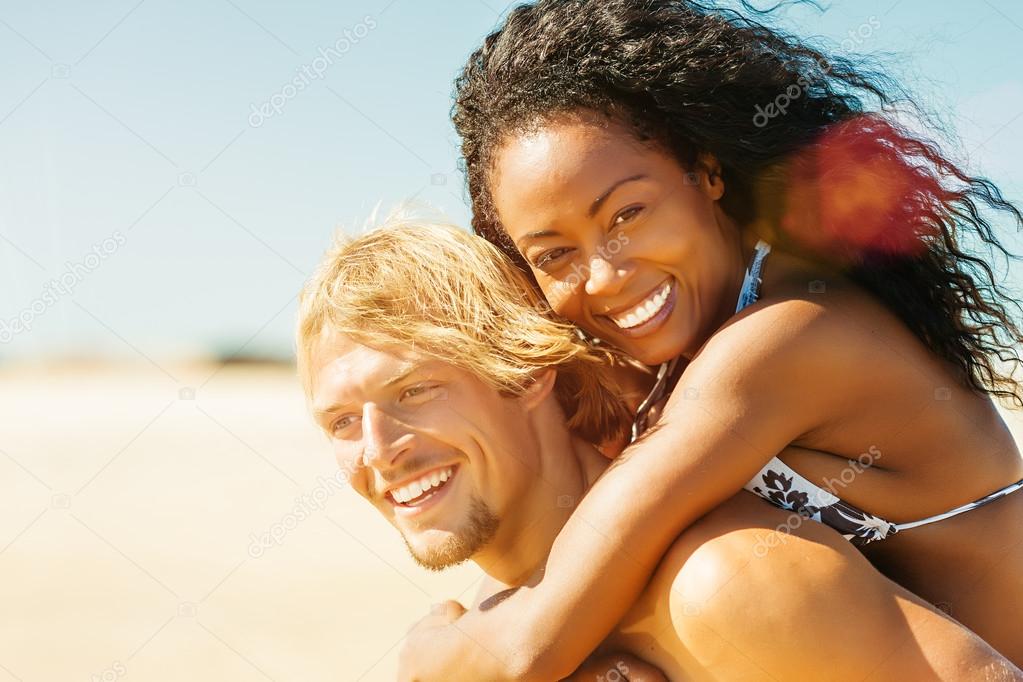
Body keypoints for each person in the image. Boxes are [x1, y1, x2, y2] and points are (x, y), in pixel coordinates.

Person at [395, 0, 1023, 677]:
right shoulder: (678, 356)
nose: (604, 277)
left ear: (707, 171)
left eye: (627, 214)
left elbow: (524, 648)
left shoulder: (784, 340)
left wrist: (431, 649)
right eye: (554, 257)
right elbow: (569, 561)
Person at [297, 216, 1021, 680]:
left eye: (413, 393)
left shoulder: (725, 584)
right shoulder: (479, 622)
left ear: (522, 375)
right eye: (339, 422)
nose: (379, 449)